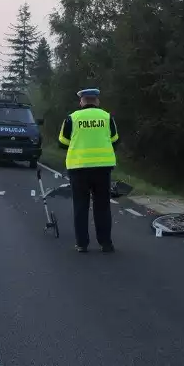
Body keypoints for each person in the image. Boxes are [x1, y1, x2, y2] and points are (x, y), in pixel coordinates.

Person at [58, 88, 119, 253]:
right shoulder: (107, 117)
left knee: (80, 206)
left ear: (81, 102)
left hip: (78, 169)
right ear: (97, 101)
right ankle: (106, 243)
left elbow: (62, 142)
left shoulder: (72, 118)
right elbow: (115, 140)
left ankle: (82, 244)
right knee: (102, 207)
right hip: (103, 168)